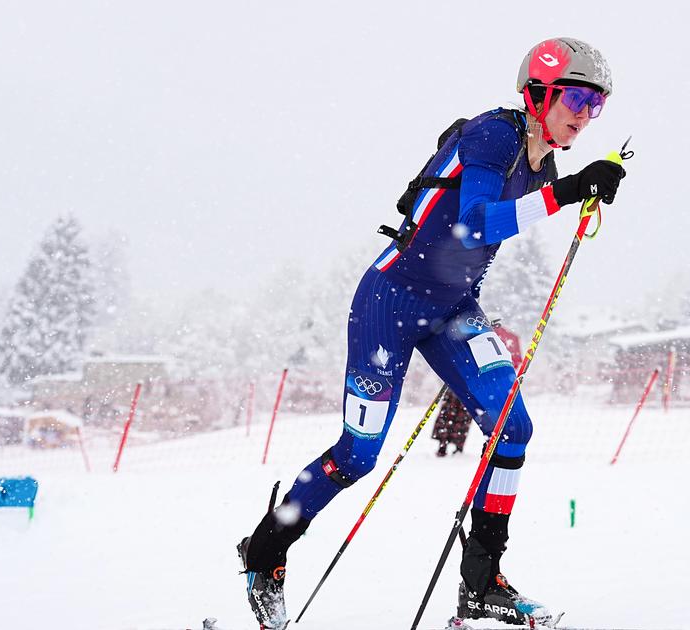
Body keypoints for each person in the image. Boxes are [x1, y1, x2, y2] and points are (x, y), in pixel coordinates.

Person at [237, 37, 625, 630]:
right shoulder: (495, 134)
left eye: (595, 104)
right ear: (538, 92)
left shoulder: (543, 162)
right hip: (388, 304)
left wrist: (577, 188)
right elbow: (473, 227)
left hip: (452, 308)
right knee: (357, 456)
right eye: (574, 95)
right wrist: (567, 193)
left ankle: (482, 583)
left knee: (513, 427)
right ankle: (265, 555)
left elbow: (490, 235)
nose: (583, 113)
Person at [433, 319, 523, 457]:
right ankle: (449, 443)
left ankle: (449, 443)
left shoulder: (478, 334)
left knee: (457, 412)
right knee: (460, 412)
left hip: (469, 379)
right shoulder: (495, 338)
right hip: (475, 382)